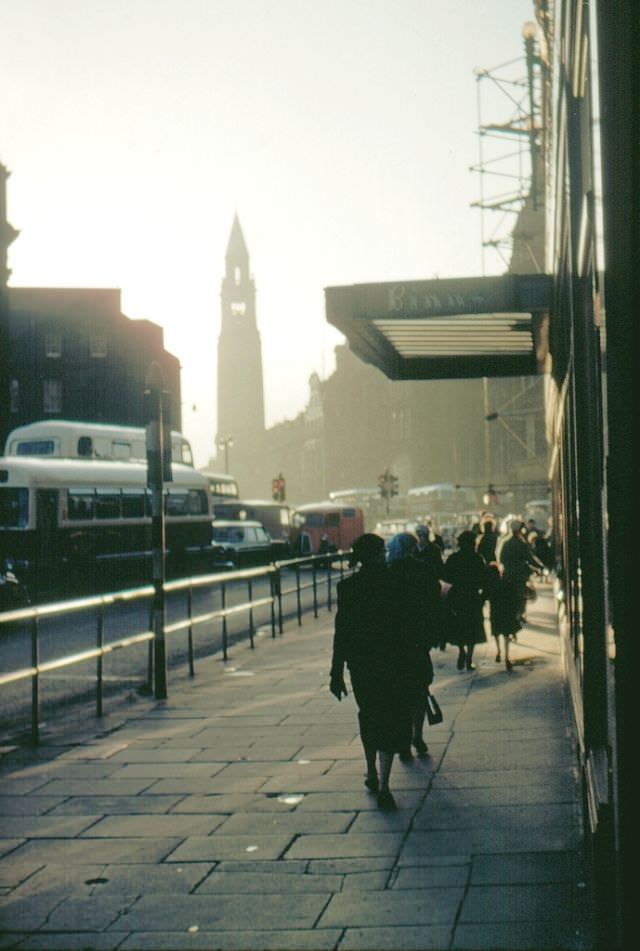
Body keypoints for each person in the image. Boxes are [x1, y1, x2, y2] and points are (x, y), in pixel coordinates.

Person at [330, 533, 414, 811]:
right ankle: (386, 784)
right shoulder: (397, 583)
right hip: (392, 662)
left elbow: (341, 632)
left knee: (368, 716)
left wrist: (336, 672)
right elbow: (406, 627)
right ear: (380, 554)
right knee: (390, 717)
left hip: (362, 664)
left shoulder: (348, 587)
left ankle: (370, 771)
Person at [386, 531, 439, 760]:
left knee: (399, 694)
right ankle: (418, 735)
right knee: (419, 689)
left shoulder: (388, 573)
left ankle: (404, 741)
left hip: (395, 642)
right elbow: (434, 598)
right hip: (419, 638)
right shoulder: (423, 569)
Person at [442, 530, 488, 671]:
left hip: (457, 596)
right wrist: (483, 596)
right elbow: (484, 579)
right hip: (473, 596)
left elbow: (446, 576)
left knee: (459, 626)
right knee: (473, 628)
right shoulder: (478, 559)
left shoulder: (453, 558)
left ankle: (461, 650)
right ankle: (469, 659)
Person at [499, 519, 544, 627]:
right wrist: (539, 566)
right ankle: (519, 615)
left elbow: (501, 559)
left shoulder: (505, 543)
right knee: (521, 596)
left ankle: (512, 615)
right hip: (520, 575)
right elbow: (529, 558)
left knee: (510, 596)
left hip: (508, 574)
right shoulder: (521, 544)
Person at [483, 560, 520, 671]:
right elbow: (514, 597)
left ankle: (499, 651)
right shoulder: (506, 583)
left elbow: (485, 597)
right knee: (506, 634)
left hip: (495, 612)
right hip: (505, 612)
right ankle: (507, 657)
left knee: (496, 633)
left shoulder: (490, 586)